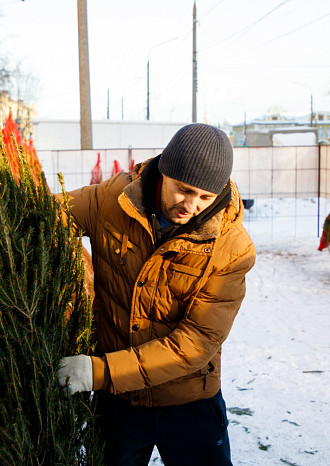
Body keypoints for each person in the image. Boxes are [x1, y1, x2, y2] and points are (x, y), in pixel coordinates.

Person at [56, 123, 256, 465]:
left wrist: (99, 372)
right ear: (164, 172)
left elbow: (193, 344)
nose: (191, 205)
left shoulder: (232, 248)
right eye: (183, 190)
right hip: (121, 402)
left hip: (189, 400)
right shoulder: (112, 202)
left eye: (205, 197)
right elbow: (46, 213)